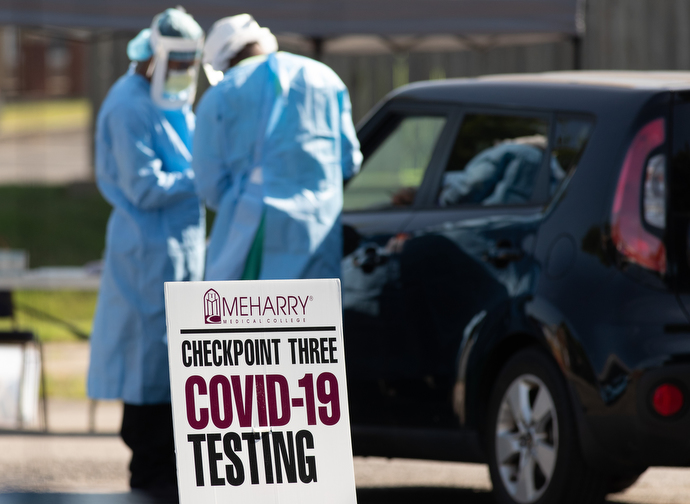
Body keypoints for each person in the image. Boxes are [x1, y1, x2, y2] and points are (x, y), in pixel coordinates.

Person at [86, 7, 205, 502]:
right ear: (152, 54)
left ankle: (166, 475)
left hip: (177, 249)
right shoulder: (127, 105)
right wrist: (208, 174)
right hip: (145, 254)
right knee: (147, 373)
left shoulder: (168, 100)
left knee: (174, 368)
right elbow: (143, 186)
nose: (180, 71)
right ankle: (149, 479)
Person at [194, 14, 362, 281]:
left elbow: (209, 183)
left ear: (223, 62)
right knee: (316, 318)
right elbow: (349, 161)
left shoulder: (222, 93)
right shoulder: (326, 78)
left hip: (254, 234)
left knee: (254, 319)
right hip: (319, 230)